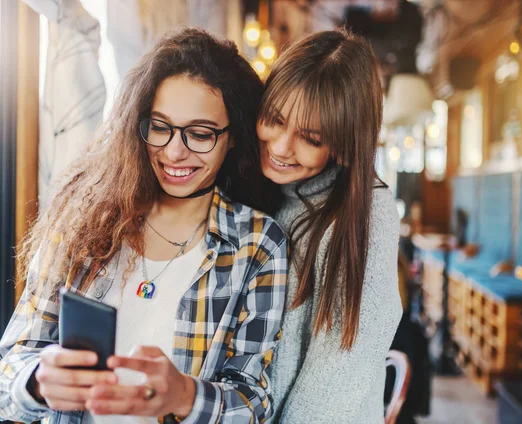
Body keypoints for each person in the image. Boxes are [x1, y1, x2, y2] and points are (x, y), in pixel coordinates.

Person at [0, 28, 287, 424]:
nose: (173, 151)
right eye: (160, 126)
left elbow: (255, 405)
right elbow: (8, 369)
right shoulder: (83, 215)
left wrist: (185, 395)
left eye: (200, 134)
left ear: (233, 137)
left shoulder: (257, 244)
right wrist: (36, 380)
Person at [257, 28, 402, 423]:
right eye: (274, 119)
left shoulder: (366, 214)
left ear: (343, 142)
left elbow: (338, 372)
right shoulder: (276, 191)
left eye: (309, 137)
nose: (281, 146)